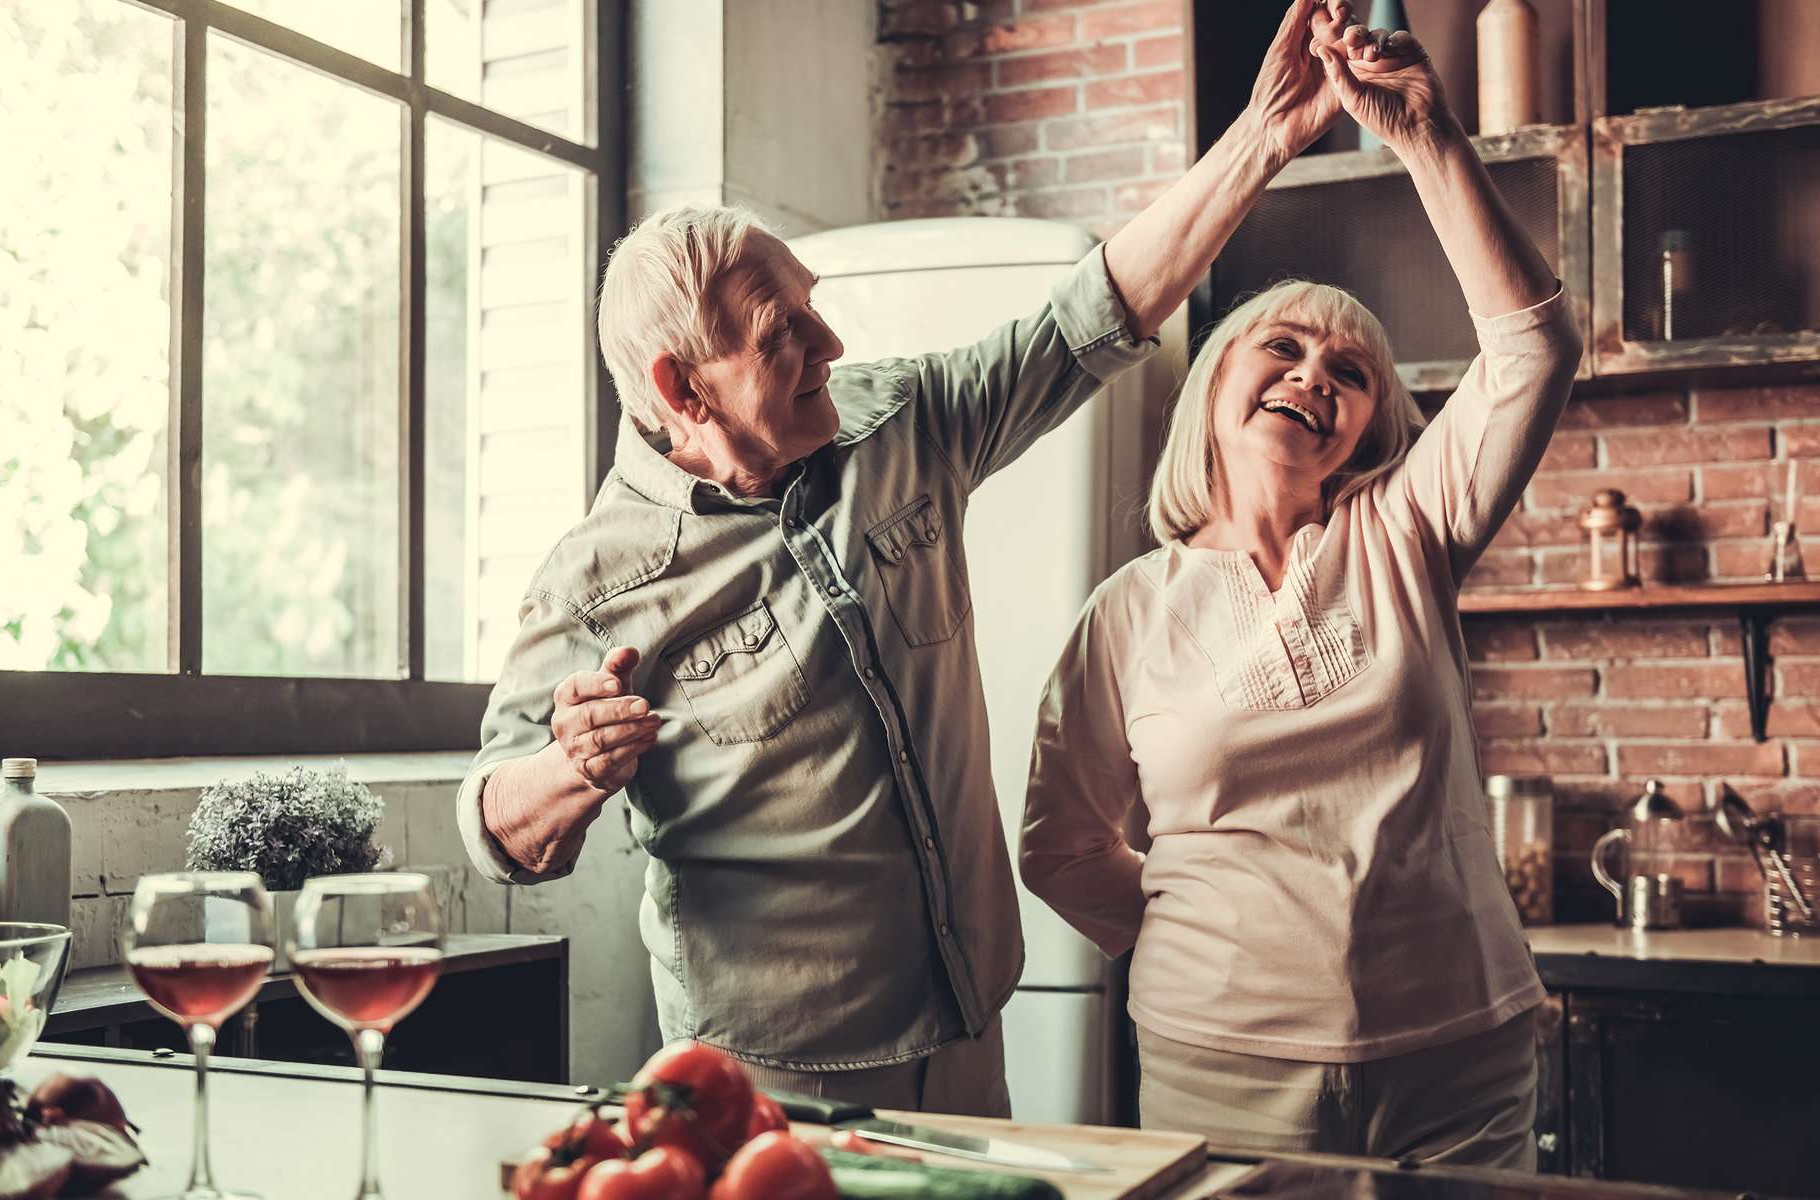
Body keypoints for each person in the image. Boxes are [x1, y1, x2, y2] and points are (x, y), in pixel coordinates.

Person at [457, 0, 1363, 1116]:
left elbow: (1093, 313)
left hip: (970, 1020)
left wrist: (1265, 133)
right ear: (681, 391)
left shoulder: (900, 426)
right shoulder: (594, 579)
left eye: (812, 306)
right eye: (780, 328)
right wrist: (569, 768)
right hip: (770, 1073)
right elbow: (500, 833)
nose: (829, 343)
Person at [1018, 1, 1582, 1167]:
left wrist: (1425, 136)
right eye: (1283, 346)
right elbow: (1062, 848)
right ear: (1217, 383)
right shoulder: (1126, 611)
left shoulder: (1406, 530)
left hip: (1457, 1055)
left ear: (1373, 425)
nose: (1316, 373)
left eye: (1352, 372)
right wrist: (1210, 946)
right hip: (1213, 1062)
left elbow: (1531, 346)